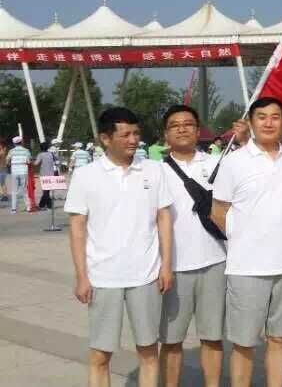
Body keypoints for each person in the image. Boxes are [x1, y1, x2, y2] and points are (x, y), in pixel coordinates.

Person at [65, 107, 174, 387]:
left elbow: (163, 218)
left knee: (148, 351)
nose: (133, 140)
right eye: (125, 134)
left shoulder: (154, 170)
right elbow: (77, 228)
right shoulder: (86, 175)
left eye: (136, 133)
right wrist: (82, 276)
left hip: (146, 276)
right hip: (103, 278)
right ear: (105, 138)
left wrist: (166, 266)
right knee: (100, 355)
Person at [211, 97, 282, 387]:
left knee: (280, 338)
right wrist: (245, 237)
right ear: (251, 122)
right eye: (261, 117)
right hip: (247, 267)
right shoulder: (233, 162)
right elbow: (218, 212)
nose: (268, 122)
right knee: (243, 342)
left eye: (275, 117)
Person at [158, 105, 246, 387]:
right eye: (175, 125)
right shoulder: (155, 171)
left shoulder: (219, 163)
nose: (182, 129)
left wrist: (245, 139)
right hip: (173, 267)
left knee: (212, 337)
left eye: (188, 124)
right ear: (165, 134)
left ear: (198, 131)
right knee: (171, 340)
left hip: (215, 262)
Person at [7, 136, 31, 214]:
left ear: (14, 143)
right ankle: (28, 207)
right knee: (24, 190)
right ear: (21, 142)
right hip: (24, 171)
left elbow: (7, 160)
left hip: (14, 172)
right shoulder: (26, 151)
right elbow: (29, 161)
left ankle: (14, 209)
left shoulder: (11, 151)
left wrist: (11, 164)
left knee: (14, 191)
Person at [34, 141, 57, 211]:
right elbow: (56, 161)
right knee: (47, 191)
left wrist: (30, 162)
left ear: (41, 148)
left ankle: (44, 205)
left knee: (45, 191)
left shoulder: (40, 154)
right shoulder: (51, 154)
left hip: (44, 174)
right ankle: (46, 205)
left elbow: (36, 163)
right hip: (51, 174)